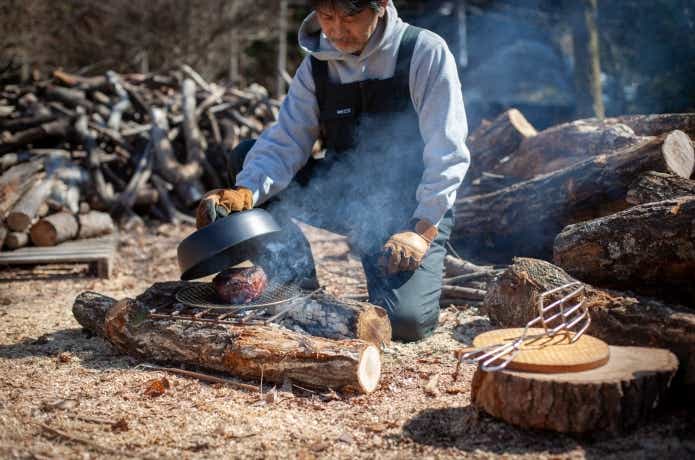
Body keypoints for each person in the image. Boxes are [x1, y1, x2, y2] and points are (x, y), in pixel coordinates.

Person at [197, 0, 470, 342]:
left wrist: (423, 228)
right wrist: (246, 191)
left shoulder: (423, 51)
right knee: (248, 155)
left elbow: (448, 149)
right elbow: (286, 141)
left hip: (407, 213)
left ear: (381, 5)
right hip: (343, 194)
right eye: (327, 17)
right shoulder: (316, 66)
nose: (337, 31)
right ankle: (293, 280)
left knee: (403, 324)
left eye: (351, 16)